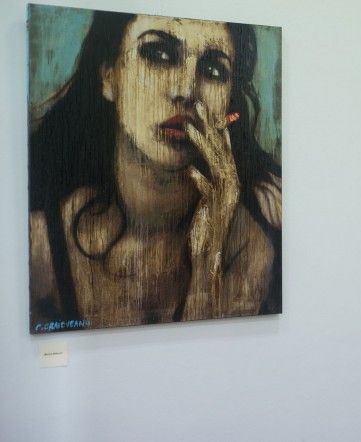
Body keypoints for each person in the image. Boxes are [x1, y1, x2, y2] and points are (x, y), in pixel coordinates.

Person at [29, 10, 282, 332]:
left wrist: (209, 259)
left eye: (213, 70)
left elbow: (210, 355)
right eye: (159, 55)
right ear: (108, 76)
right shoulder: (42, 244)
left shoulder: (250, 244)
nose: (185, 90)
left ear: (228, 102)